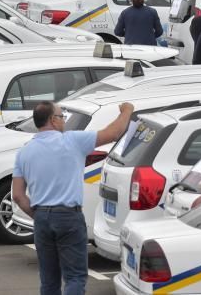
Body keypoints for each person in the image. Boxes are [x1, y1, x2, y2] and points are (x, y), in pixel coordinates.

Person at [12, 100, 134, 295]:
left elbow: (18, 195)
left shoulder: (24, 152)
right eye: (62, 117)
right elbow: (114, 133)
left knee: (49, 280)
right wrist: (126, 111)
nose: (64, 121)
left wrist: (40, 215)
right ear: (53, 120)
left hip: (42, 218)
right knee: (75, 277)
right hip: (68, 216)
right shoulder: (72, 140)